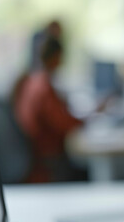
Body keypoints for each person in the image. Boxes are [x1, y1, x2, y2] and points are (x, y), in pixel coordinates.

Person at [13, 37, 86, 183]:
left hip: (40, 159)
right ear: (56, 57)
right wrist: (87, 119)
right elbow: (63, 123)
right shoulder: (44, 88)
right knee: (88, 173)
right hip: (48, 166)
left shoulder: (33, 81)